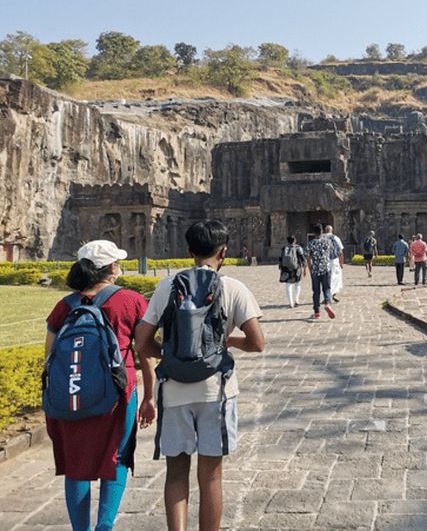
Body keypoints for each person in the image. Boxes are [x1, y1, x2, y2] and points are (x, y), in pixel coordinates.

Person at [135, 220, 265, 531]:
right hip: (215, 391)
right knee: (211, 476)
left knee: (176, 473)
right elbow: (257, 343)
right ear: (224, 251)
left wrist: (168, 354)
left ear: (190, 251)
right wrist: (227, 342)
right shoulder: (233, 287)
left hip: (174, 390)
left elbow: (140, 341)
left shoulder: (167, 286)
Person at [44, 240, 152, 531]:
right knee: (115, 458)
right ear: (111, 268)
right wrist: (150, 395)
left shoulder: (64, 306)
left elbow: (49, 358)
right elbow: (147, 352)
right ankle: (105, 526)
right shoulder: (130, 300)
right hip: (119, 393)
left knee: (76, 467)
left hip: (70, 395)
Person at [305, 224, 336, 319]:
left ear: (314, 233)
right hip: (326, 268)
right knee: (327, 288)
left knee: (316, 291)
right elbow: (331, 254)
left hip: (315, 269)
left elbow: (308, 258)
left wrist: (310, 269)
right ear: (322, 231)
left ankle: (317, 311)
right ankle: (327, 303)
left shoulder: (311, 243)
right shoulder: (327, 242)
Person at [278, 235, 305, 307]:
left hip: (286, 269)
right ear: (295, 240)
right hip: (296, 268)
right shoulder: (298, 247)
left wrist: (280, 266)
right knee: (297, 284)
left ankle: (290, 302)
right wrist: (304, 266)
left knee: (288, 285)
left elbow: (280, 258)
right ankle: (296, 299)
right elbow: (302, 257)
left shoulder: (284, 248)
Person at [324, 225, 344, 302]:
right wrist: (341, 262)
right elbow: (341, 251)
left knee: (326, 278)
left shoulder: (321, 238)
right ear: (332, 230)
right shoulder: (336, 238)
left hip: (325, 260)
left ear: (325, 230)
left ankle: (327, 295)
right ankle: (333, 294)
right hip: (334, 260)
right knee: (335, 277)